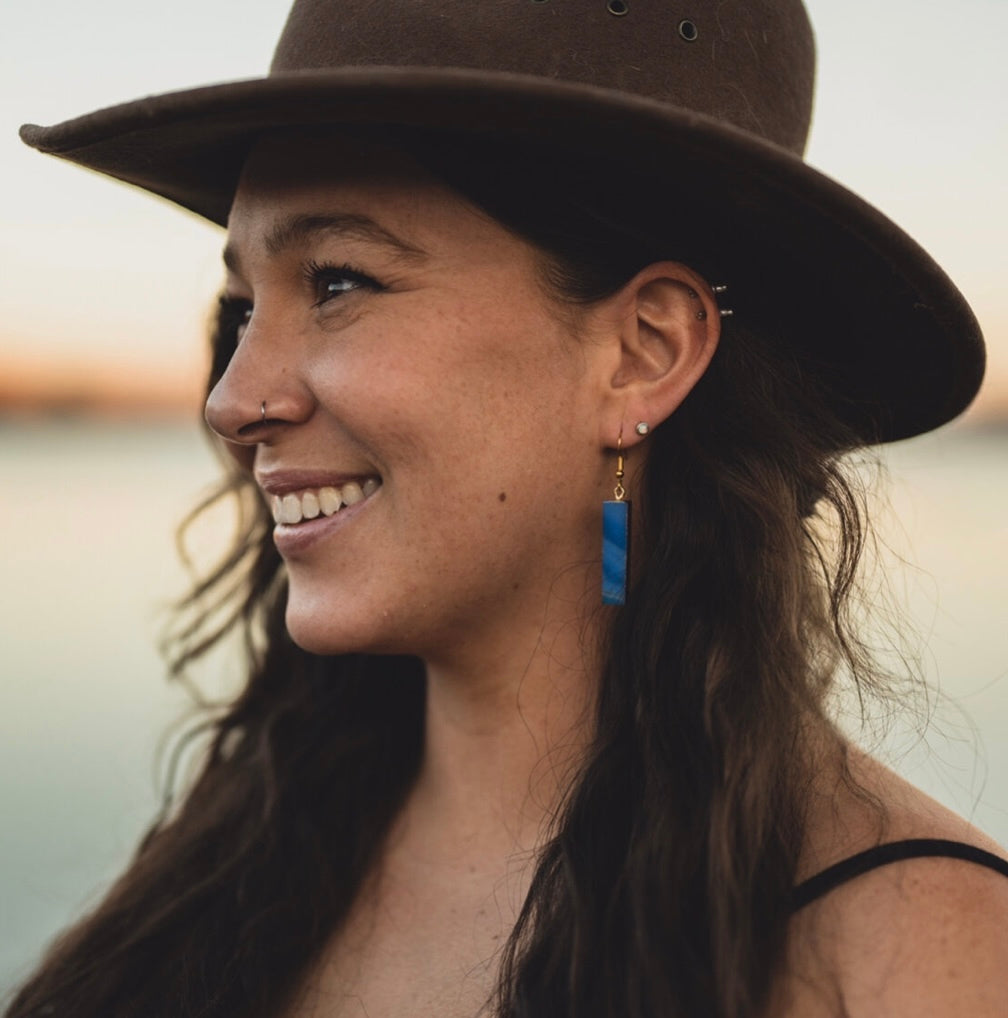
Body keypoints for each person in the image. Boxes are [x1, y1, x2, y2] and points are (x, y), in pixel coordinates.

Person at [11, 0, 1008, 1016]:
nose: (233, 398)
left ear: (641, 354)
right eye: (241, 308)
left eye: (339, 280)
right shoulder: (239, 856)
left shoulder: (921, 958)